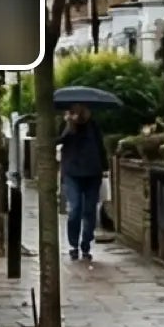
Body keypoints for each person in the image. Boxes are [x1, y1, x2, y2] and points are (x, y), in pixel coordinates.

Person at [57, 102, 108, 263]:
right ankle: (73, 245)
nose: (80, 114)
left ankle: (86, 244)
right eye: (76, 110)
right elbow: (55, 142)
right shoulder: (65, 125)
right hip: (72, 173)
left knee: (90, 210)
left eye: (83, 110)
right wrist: (68, 127)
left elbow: (100, 147)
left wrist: (105, 167)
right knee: (75, 209)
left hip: (92, 173)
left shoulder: (93, 125)